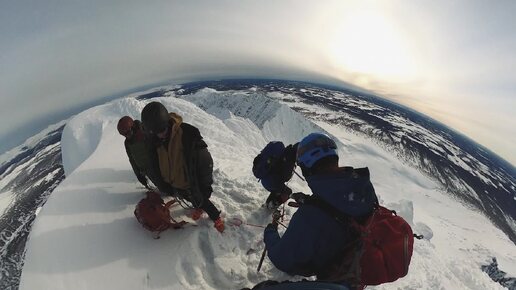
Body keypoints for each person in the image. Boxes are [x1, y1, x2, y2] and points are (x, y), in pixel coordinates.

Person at [263, 133, 378, 285]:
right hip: (353, 269)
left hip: (333, 280)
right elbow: (340, 208)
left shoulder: (309, 218)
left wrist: (270, 231)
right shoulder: (363, 187)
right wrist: (314, 202)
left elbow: (282, 259)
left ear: (306, 169)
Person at [140, 101, 224, 233]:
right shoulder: (155, 141)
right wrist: (163, 185)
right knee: (192, 199)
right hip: (175, 184)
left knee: (202, 200)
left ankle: (216, 217)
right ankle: (198, 207)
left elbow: (204, 163)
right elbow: (154, 165)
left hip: (190, 184)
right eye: (157, 132)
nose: (161, 134)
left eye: (162, 130)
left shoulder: (186, 135)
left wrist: (205, 186)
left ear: (167, 122)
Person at [117, 116, 163, 190]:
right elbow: (132, 159)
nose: (127, 136)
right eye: (124, 135)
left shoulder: (145, 132)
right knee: (162, 188)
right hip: (147, 171)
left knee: (168, 186)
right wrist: (139, 175)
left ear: (133, 126)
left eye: (128, 132)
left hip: (158, 167)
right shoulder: (128, 143)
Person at [252, 142, 298, 209]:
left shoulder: (282, 150)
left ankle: (268, 204)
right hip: (270, 182)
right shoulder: (289, 160)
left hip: (264, 177)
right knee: (287, 191)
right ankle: (271, 206)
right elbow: (286, 178)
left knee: (278, 188)